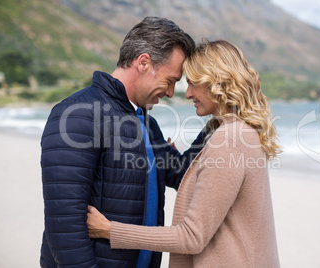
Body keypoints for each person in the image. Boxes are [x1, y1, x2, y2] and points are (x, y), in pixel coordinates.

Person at [87, 40, 282, 267]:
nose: (188, 94)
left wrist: (109, 230)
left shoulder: (229, 139)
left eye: (193, 84)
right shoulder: (238, 131)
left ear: (215, 81)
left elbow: (191, 237)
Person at [40, 17, 207, 268]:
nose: (171, 93)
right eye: (170, 80)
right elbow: (65, 230)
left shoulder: (147, 124)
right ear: (143, 62)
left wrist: (220, 119)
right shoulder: (77, 113)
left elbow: (183, 174)